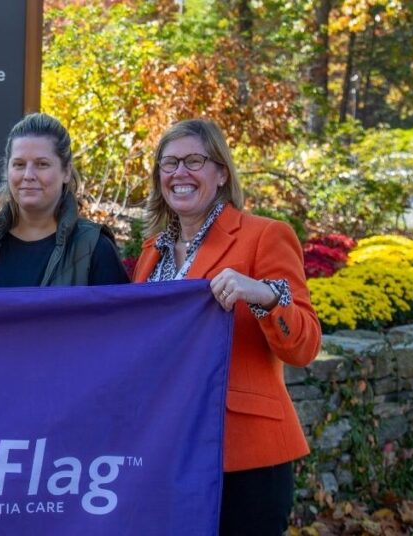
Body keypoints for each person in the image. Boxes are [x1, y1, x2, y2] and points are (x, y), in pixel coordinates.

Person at [132, 119, 321, 535]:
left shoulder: (265, 236)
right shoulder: (152, 252)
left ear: (221, 173)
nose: (179, 173)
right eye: (169, 163)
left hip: (245, 454)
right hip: (169, 448)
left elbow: (305, 346)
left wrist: (266, 295)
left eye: (194, 161)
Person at [0, 113, 128, 287]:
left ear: (66, 172)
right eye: (19, 164)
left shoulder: (94, 248)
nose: (28, 175)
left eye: (42, 164)